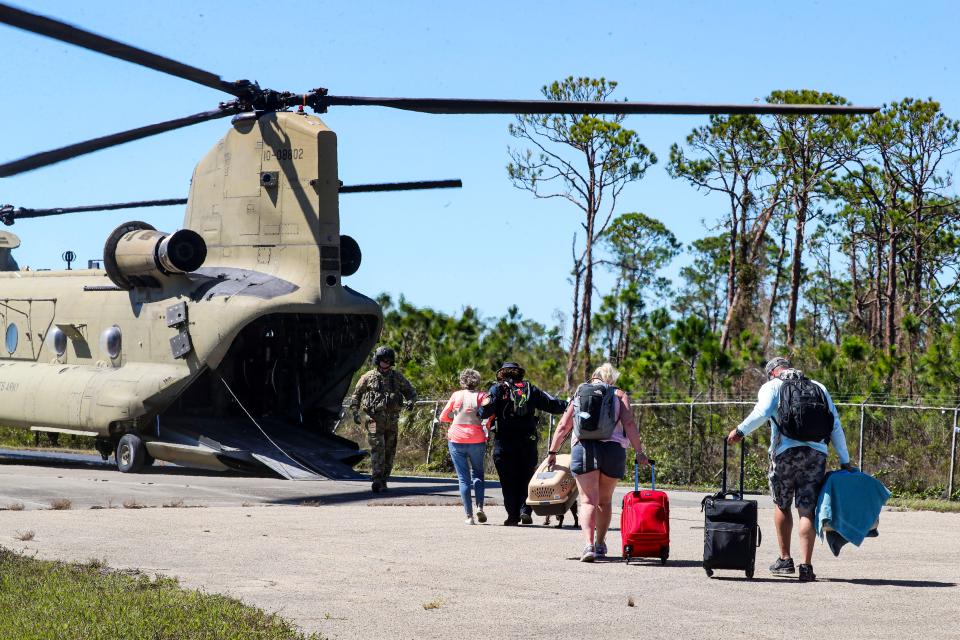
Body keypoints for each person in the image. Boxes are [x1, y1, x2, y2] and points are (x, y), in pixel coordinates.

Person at [727, 356, 854, 583]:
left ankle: (785, 560)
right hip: (817, 454)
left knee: (782, 505)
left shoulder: (773, 386)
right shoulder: (818, 387)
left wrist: (740, 431)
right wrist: (845, 460)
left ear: (772, 372)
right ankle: (806, 567)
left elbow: (763, 411)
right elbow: (835, 423)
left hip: (785, 454)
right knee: (807, 509)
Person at [546, 363, 651, 562]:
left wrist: (553, 451)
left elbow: (563, 426)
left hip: (584, 447)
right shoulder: (619, 394)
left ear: (594, 376)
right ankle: (601, 543)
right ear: (612, 378)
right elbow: (628, 423)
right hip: (613, 450)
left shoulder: (580, 392)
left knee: (587, 500)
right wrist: (639, 452)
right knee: (604, 500)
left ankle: (588, 546)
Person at [477, 361, 567, 526]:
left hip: (504, 442)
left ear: (502, 374)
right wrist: (571, 405)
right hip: (528, 441)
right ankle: (525, 511)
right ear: (520, 373)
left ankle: (512, 516)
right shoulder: (530, 389)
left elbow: (484, 411)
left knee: (508, 481)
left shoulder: (497, 389)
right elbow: (552, 404)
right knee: (526, 477)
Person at [349, 346, 418, 493]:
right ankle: (377, 479)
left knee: (389, 450)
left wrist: (411, 402)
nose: (385, 363)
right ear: (377, 361)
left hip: (392, 420)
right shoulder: (367, 377)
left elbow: (411, 392)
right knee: (377, 447)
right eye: (382, 360)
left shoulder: (397, 377)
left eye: (388, 361)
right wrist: (355, 411)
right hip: (373, 419)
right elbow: (356, 395)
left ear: (391, 362)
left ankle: (384, 479)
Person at [438, 368, 491, 525]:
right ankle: (480, 507)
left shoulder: (456, 395)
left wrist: (455, 420)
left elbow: (443, 416)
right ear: (477, 381)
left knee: (463, 479)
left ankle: (469, 516)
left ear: (462, 381)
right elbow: (488, 418)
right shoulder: (482, 396)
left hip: (456, 439)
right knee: (478, 474)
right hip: (477, 439)